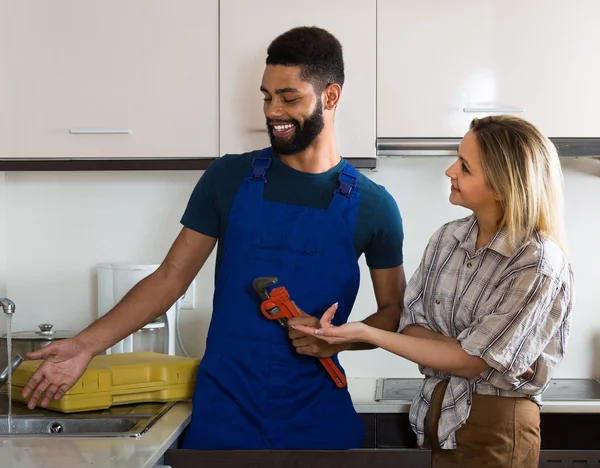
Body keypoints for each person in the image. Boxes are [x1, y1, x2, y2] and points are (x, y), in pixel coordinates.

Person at [21, 26, 406, 450]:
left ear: (330, 97)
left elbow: (393, 312)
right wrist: (83, 345)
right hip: (226, 415)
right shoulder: (229, 177)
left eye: (288, 97)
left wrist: (337, 339)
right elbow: (170, 278)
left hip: (318, 418)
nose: (272, 111)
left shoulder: (373, 206)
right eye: (266, 96)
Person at [295, 115, 574, 467]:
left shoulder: (537, 261)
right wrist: (464, 352)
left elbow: (471, 363)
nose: (450, 171)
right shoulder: (447, 238)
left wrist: (371, 334)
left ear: (503, 186)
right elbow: (412, 326)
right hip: (436, 417)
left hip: (498, 428)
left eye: (465, 166)